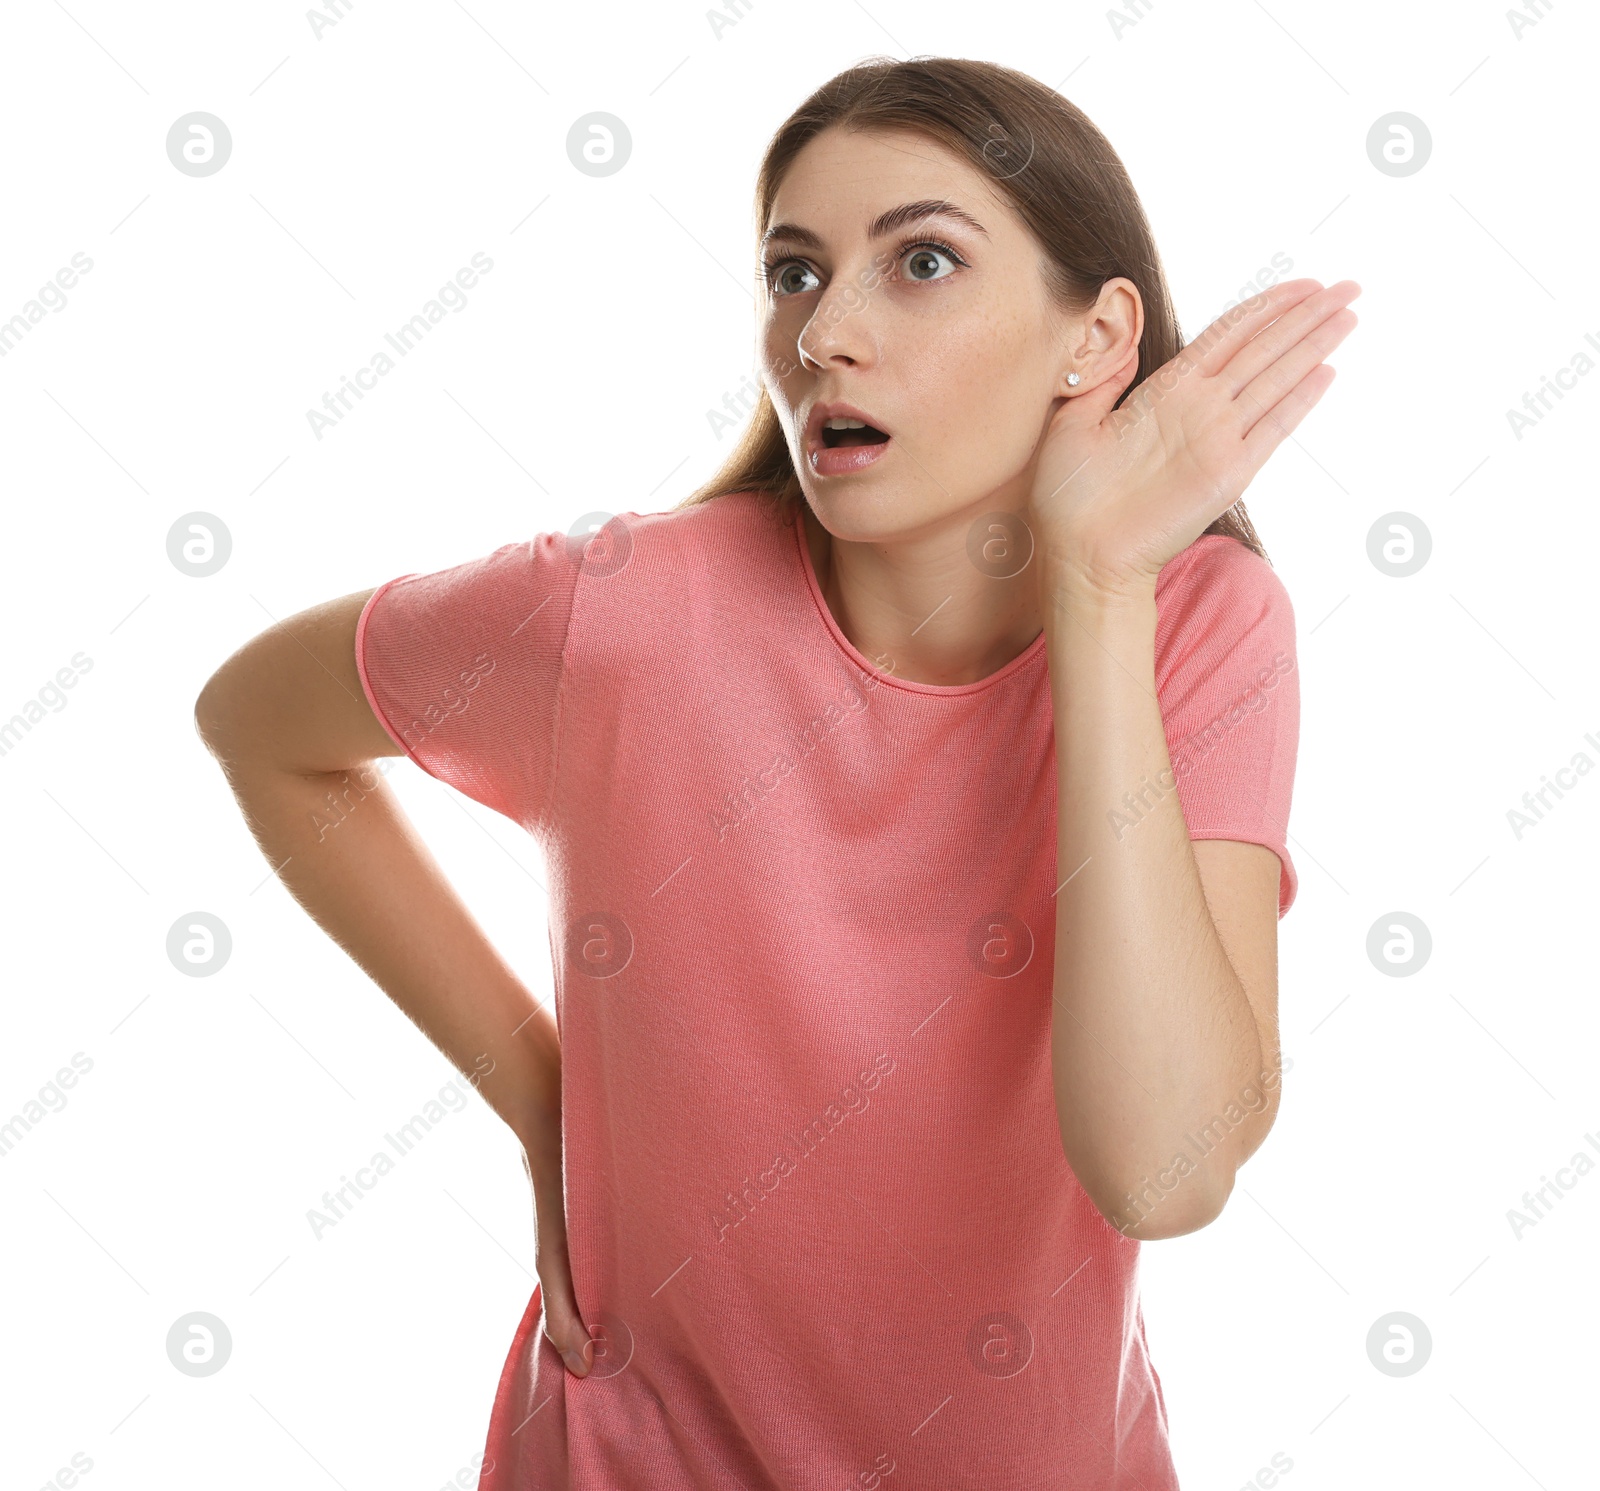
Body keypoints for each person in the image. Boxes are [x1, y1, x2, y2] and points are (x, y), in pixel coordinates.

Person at [195, 54, 1356, 1491]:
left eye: (921, 261)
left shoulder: (1200, 619)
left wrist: (1100, 585)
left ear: (1096, 336)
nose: (826, 336)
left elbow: (1167, 1172)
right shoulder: (622, 612)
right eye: (795, 275)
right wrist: (541, 1093)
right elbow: (260, 721)